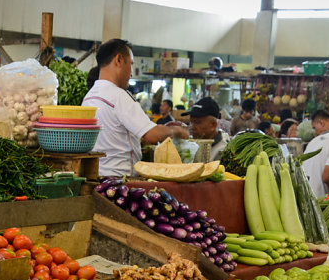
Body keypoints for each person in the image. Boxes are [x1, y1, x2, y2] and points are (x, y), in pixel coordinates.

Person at [81, 39, 188, 177]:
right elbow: (152, 135)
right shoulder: (119, 96)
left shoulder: (89, 97)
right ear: (119, 60)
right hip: (120, 179)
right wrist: (177, 130)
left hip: (96, 176)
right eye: (131, 63)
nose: (131, 73)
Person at [187, 96, 229, 162]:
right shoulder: (192, 146)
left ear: (213, 125)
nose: (192, 127)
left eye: (197, 122)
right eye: (191, 122)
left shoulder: (222, 151)